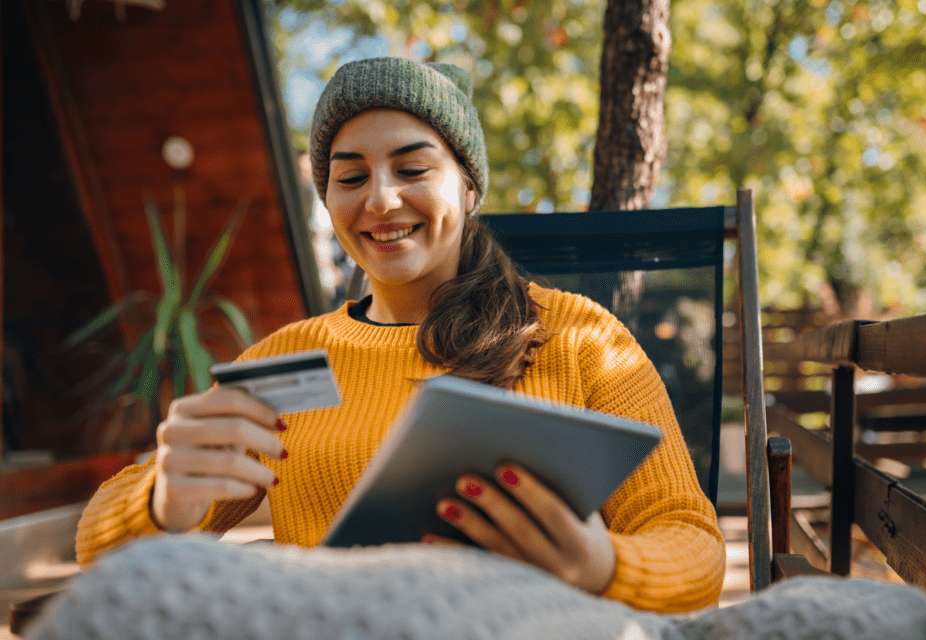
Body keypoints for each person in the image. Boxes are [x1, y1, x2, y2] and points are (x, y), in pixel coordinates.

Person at [75, 57, 725, 614]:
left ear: (468, 187)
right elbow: (96, 549)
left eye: (412, 169)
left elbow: (692, 546)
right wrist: (162, 499)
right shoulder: (288, 362)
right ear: (328, 202)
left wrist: (601, 566)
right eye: (351, 177)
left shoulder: (582, 337)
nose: (380, 201)